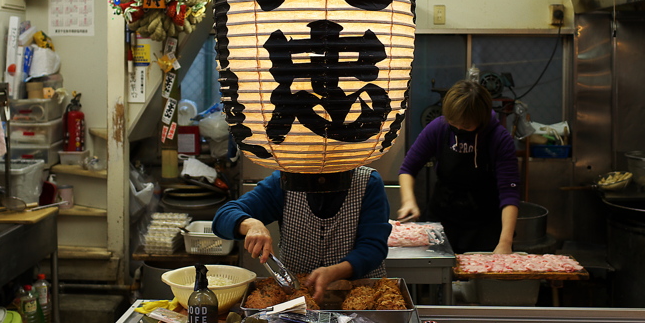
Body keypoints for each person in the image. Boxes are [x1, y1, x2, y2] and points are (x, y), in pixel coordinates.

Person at [212, 165, 391, 302]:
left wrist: (335, 272)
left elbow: (373, 247)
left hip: (362, 298)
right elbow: (222, 218)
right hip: (297, 300)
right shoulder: (286, 180)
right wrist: (251, 224)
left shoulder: (367, 182)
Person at [397, 79, 521, 254]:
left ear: (482, 118)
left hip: (484, 224)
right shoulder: (439, 128)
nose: (459, 129)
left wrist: (505, 242)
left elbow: (509, 192)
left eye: (466, 126)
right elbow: (407, 169)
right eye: (453, 124)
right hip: (442, 218)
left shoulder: (499, 138)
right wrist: (409, 201)